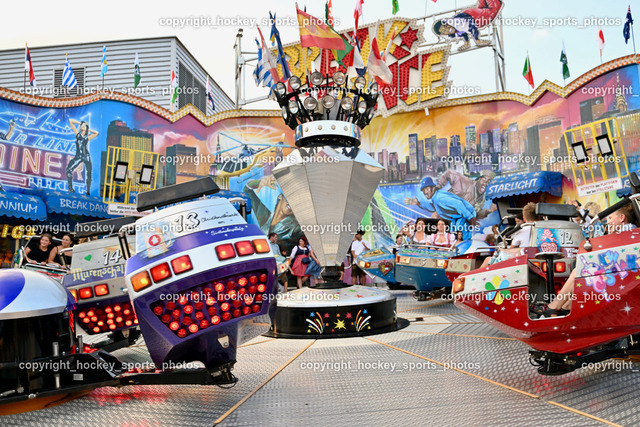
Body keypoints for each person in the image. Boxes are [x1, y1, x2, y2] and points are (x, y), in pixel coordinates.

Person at [541, 203, 638, 316]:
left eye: (610, 218)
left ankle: (555, 307)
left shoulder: (628, 229)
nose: (608, 222)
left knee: (579, 272)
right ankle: (564, 307)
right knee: (581, 273)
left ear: (622, 218)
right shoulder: (627, 231)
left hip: (624, 274)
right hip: (622, 272)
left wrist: (611, 234)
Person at [405, 177, 477, 240]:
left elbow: (459, 204)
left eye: (427, 189)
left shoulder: (440, 197)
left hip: (464, 216)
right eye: (423, 190)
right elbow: (433, 207)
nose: (425, 192)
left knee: (462, 236)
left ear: (433, 188)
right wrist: (419, 203)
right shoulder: (435, 199)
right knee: (452, 235)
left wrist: (470, 217)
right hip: (455, 218)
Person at [432, 0, 503, 51]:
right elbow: (463, 34)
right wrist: (466, 42)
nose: (447, 29)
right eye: (444, 31)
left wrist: (477, 40)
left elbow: (471, 25)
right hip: (475, 14)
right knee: (483, 5)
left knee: (493, 9)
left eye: (445, 26)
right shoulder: (455, 32)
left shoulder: (457, 23)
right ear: (444, 34)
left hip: (476, 17)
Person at [67, 119, 99, 195]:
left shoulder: (87, 137)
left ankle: (87, 191)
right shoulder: (77, 134)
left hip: (86, 156)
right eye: (81, 126)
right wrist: (80, 123)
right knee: (69, 169)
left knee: (89, 173)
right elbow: (70, 121)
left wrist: (87, 129)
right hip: (78, 156)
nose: (82, 127)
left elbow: (96, 133)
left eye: (84, 126)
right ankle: (71, 189)